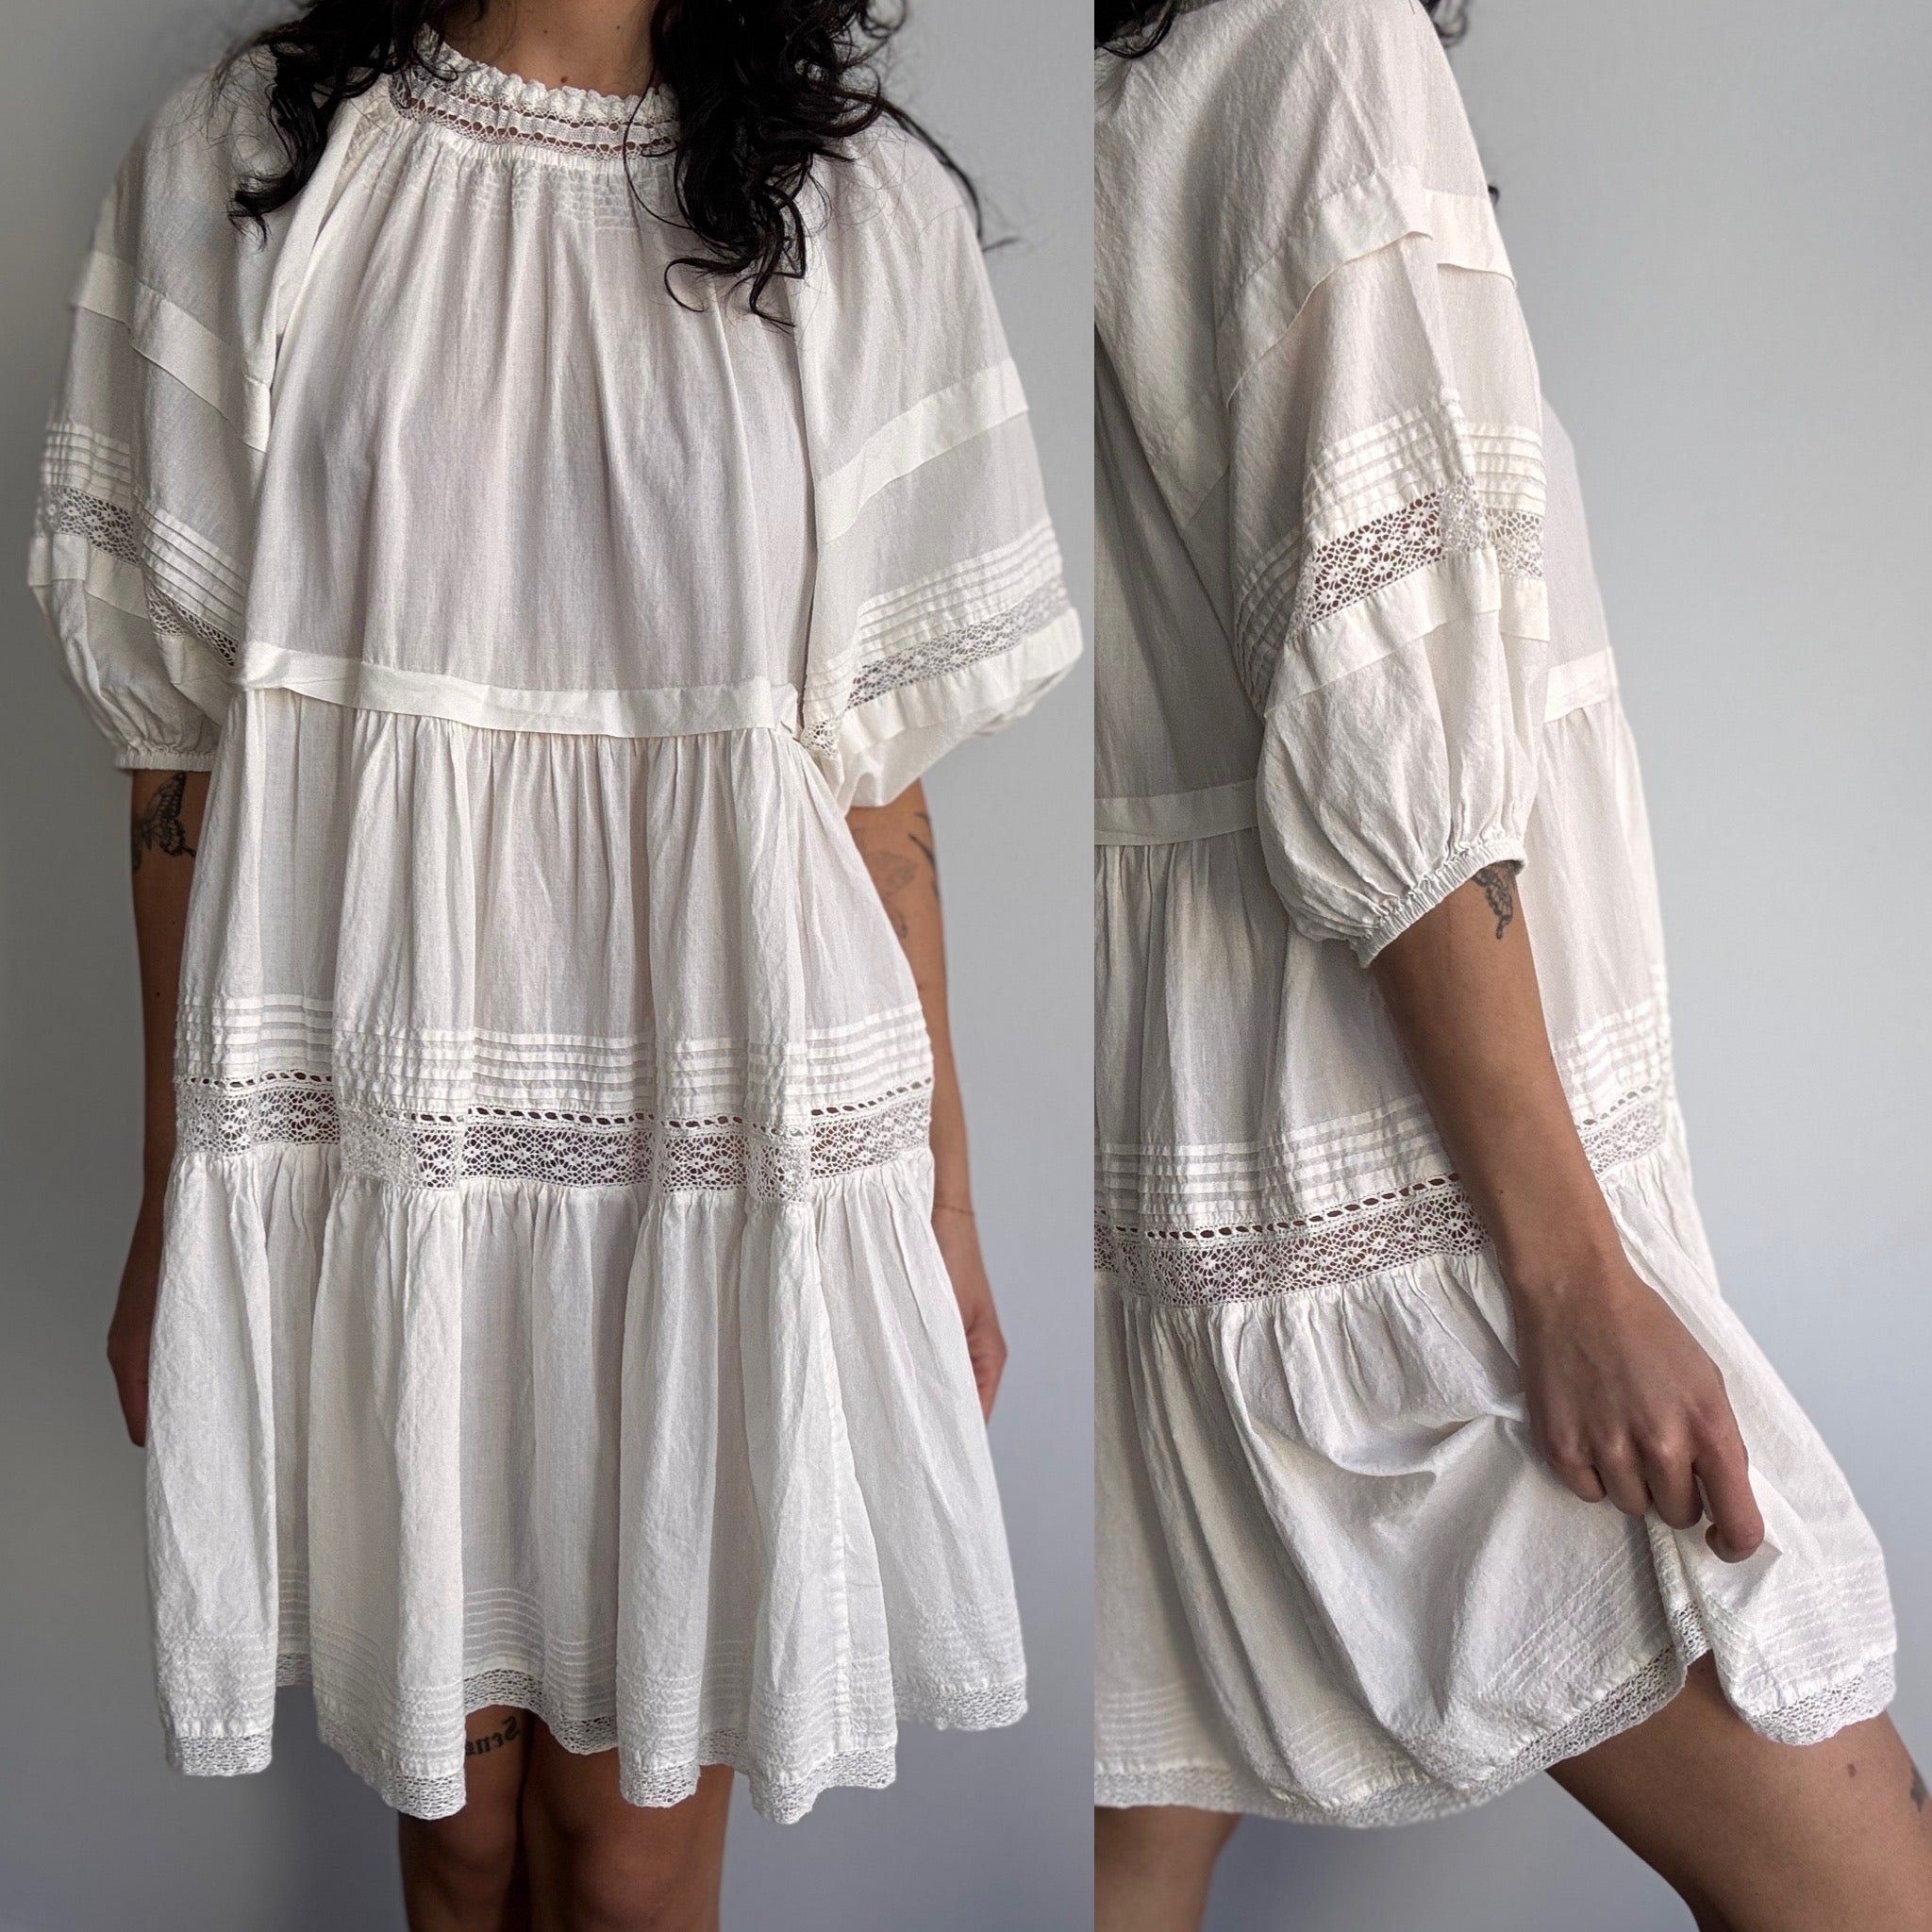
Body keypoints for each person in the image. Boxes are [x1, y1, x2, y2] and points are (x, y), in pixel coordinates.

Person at [27, 0, 1078, 1923]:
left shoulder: (854, 212)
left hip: (713, 1141)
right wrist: (181, 1193)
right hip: (379, 1136)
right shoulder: (247, 166)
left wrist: (944, 1207)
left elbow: (873, 791)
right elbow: (175, 755)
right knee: (458, 1837)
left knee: (627, 1859)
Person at [1091, 2, 1931, 1927]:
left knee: (1133, 1838)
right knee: (1866, 1891)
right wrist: (1571, 1273)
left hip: (1195, 1163)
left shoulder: (1125, 76)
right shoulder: (1316, 46)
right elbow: (1393, 743)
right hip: (1407, 1184)